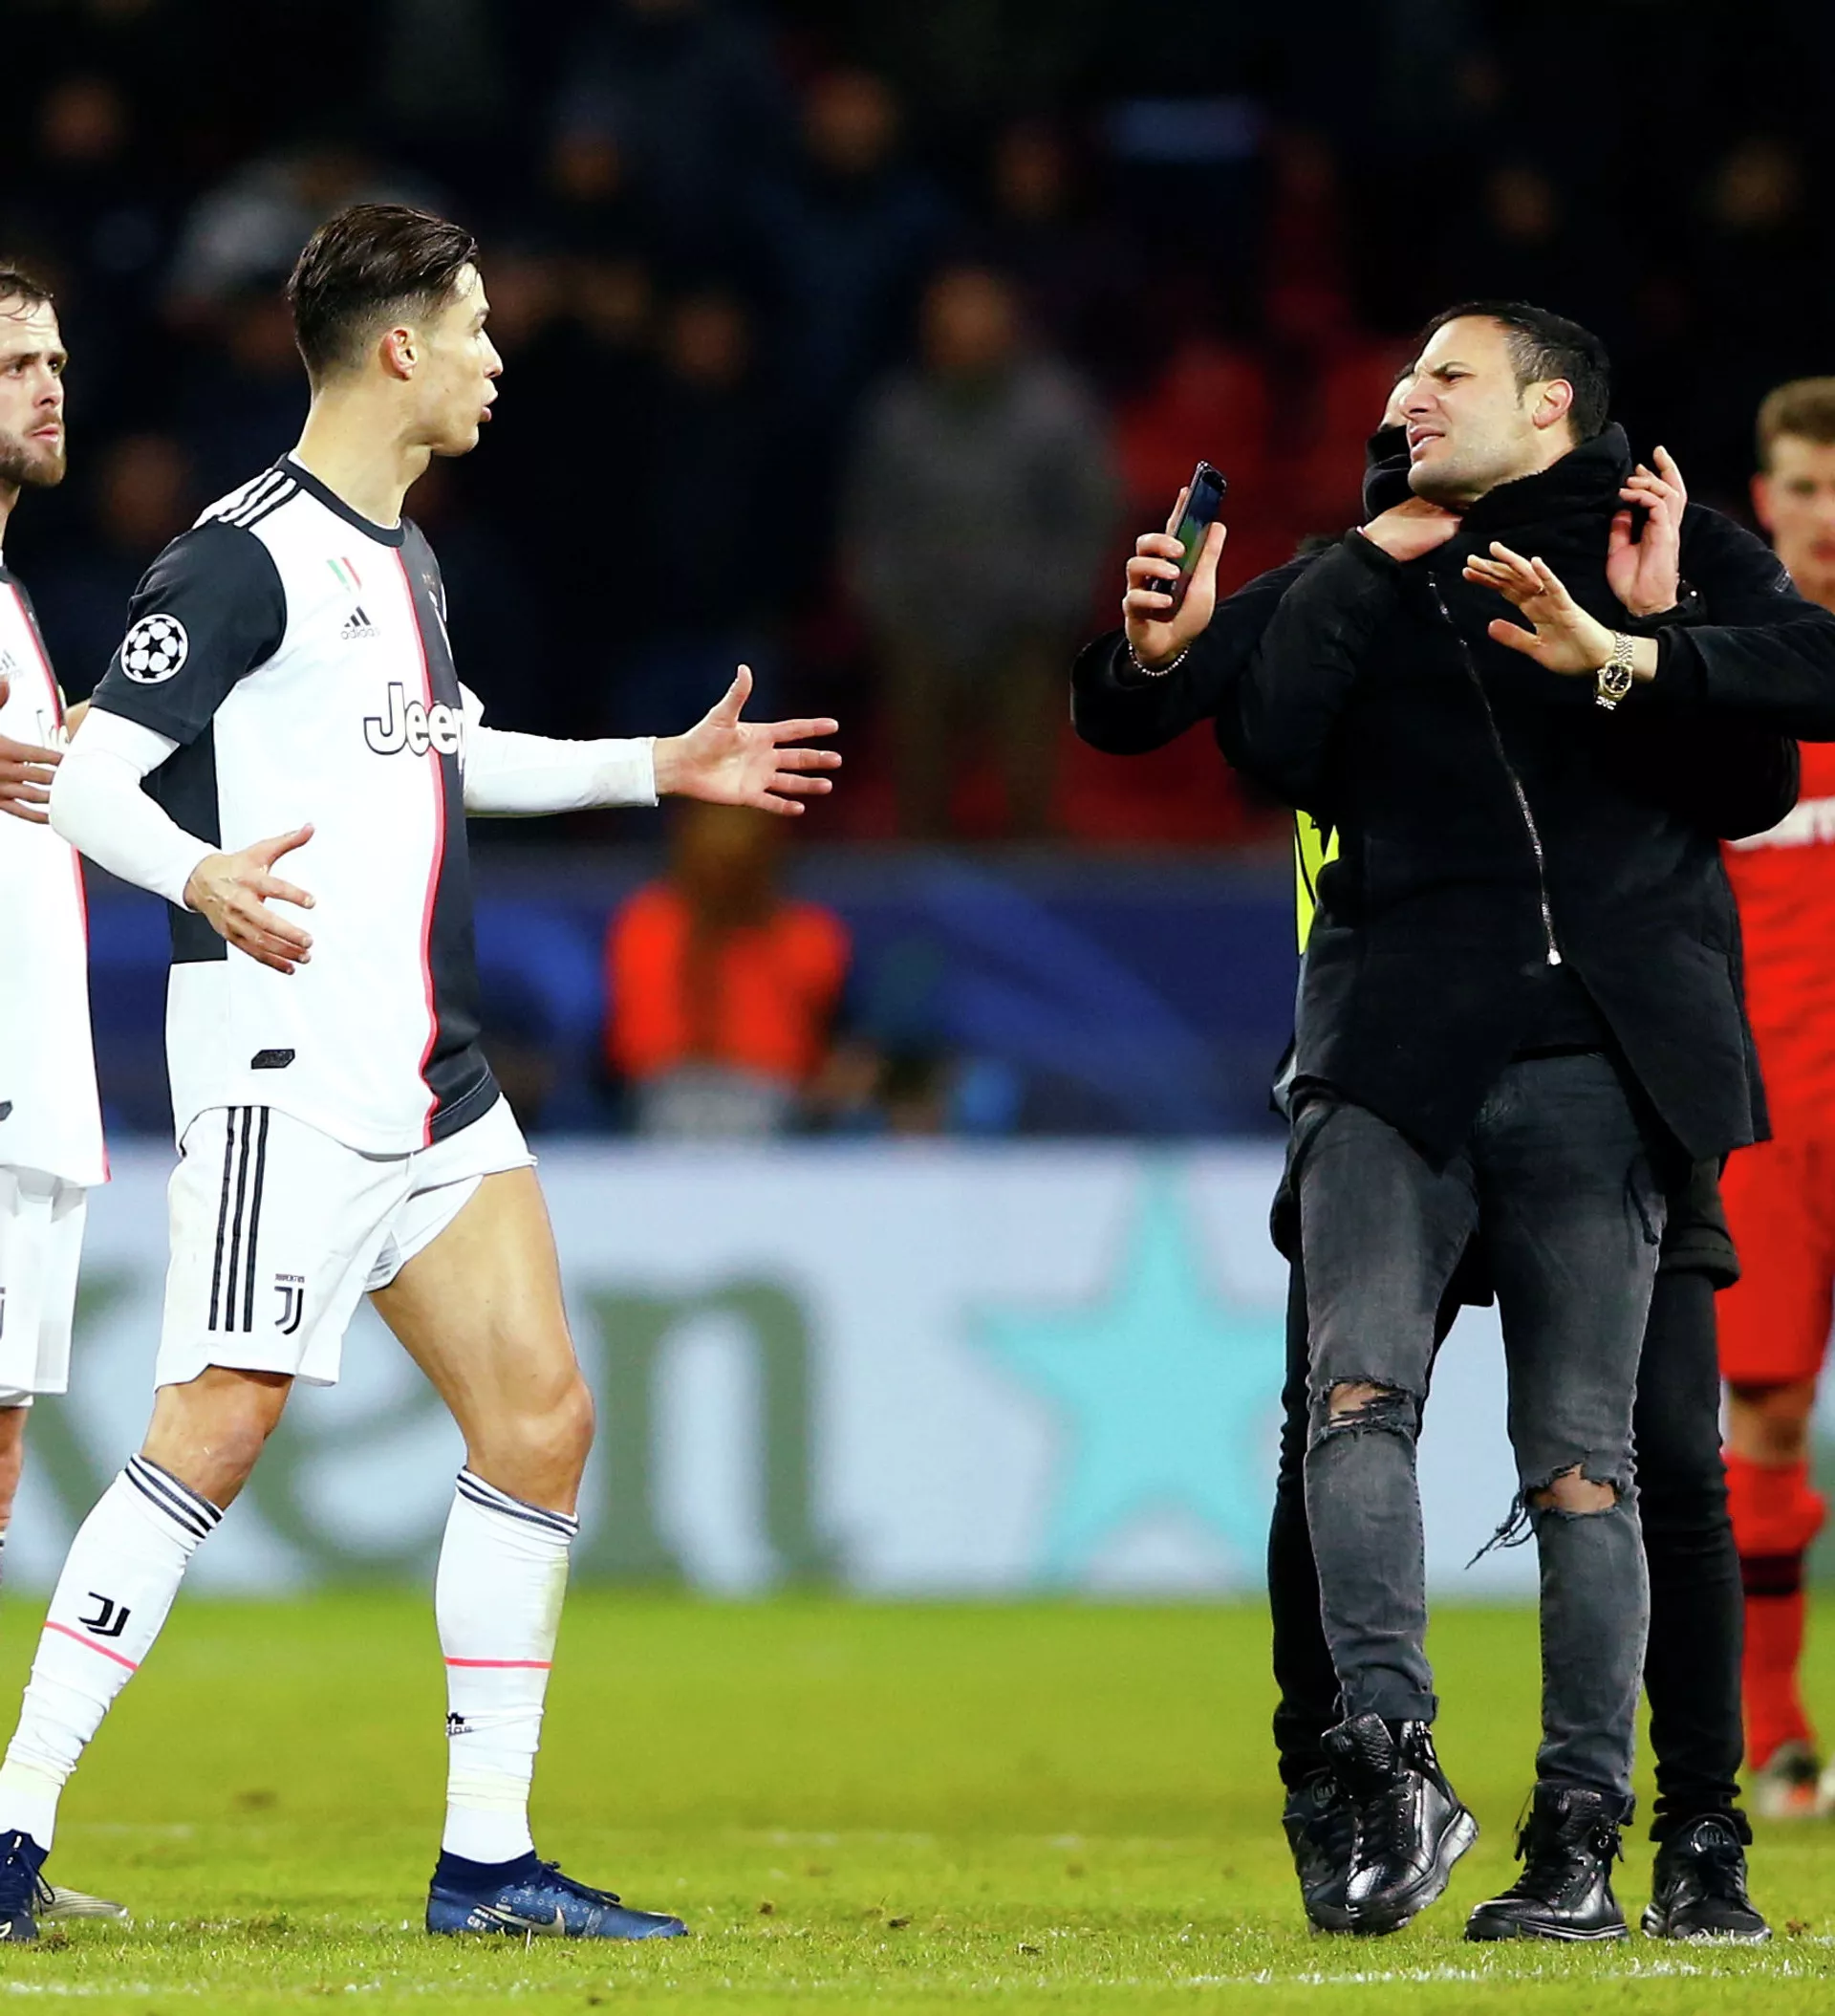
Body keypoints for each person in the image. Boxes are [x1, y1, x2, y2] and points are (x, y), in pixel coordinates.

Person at [0, 204, 840, 1945]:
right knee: (213, 1432)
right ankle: (13, 1821)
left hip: (430, 1079)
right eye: (471, 328)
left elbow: (440, 753)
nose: (493, 359)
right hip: (288, 1068)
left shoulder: (406, 558)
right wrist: (200, 875)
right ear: (399, 350)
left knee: (543, 1419)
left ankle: (487, 1861)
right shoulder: (238, 557)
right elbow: (88, 773)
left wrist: (652, 765)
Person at [1073, 392, 1778, 1940]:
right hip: (1395, 1066)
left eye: (1447, 400)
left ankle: (1692, 1823)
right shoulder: (1352, 602)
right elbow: (1159, 705)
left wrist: (1645, 647)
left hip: (1612, 1064)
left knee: (1651, 1452)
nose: (1416, 430)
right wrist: (1155, 655)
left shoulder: (1639, 580)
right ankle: (1350, 1775)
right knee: (1347, 1431)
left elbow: (1754, 767)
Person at [0, 264, 132, 1931]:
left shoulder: (13, 593)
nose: (50, 383)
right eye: (15, 362)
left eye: (53, 356)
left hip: (34, 1081)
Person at [1716, 378, 1835, 1817]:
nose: (1829, 515)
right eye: (1805, 486)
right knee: (1765, 1418)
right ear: (1764, 499)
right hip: (1768, 1122)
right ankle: (1776, 1728)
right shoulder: (1727, 679)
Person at [843, 262, 1115, 837]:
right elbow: (870, 522)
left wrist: (1050, 605)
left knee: (1028, 791)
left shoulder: (1056, 411)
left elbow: (1088, 517)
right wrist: (892, 608)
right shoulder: (898, 415)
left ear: (1007, 326)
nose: (965, 337)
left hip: (1026, 630)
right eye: (950, 325)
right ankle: (919, 885)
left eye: (978, 321)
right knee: (918, 791)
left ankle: (1036, 879)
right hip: (921, 629)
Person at [605, 800, 852, 1138]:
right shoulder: (645, 926)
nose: (725, 877)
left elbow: (832, 1048)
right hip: (663, 1097)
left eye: (739, 864)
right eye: (715, 862)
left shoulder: (810, 936)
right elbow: (631, 1050)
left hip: (779, 1104)